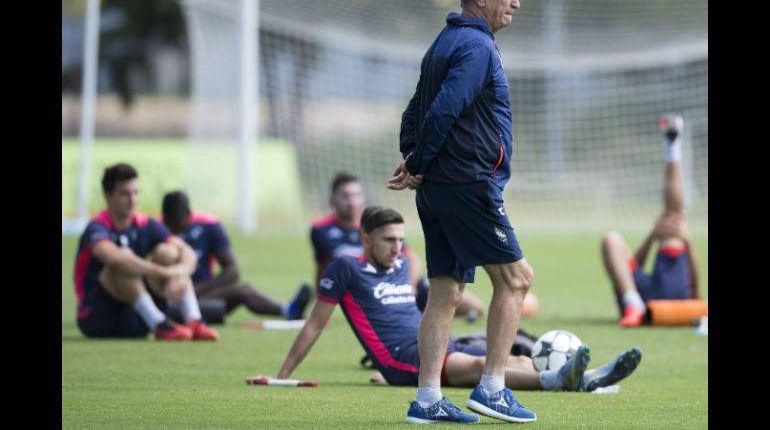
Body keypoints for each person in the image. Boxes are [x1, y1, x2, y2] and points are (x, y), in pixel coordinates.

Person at [247, 208, 642, 424]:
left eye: (401, 240)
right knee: (481, 368)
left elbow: (434, 299)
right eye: (388, 240)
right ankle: (564, 379)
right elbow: (315, 325)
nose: (397, 248)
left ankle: (587, 378)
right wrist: (282, 375)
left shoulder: (403, 265)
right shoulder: (345, 269)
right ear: (365, 239)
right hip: (401, 356)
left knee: (513, 360)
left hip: (428, 347)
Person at [387, 0, 538, 423]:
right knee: (516, 280)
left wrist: (414, 158)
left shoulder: (445, 40)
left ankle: (427, 399)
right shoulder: (476, 45)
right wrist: (417, 162)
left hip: (440, 186)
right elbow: (442, 109)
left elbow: (415, 109)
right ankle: (492, 388)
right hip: (467, 183)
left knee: (446, 290)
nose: (516, 2)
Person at [74, 163, 219, 341]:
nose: (132, 200)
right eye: (124, 194)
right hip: (99, 318)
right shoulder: (97, 227)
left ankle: (194, 320)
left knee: (168, 252)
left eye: (136, 193)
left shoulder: (144, 223)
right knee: (124, 260)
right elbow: (112, 258)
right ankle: (160, 325)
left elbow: (187, 252)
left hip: (138, 316)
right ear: (107, 195)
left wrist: (178, 273)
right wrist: (163, 272)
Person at [311, 172, 485, 319]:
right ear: (332, 198)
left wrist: (410, 287)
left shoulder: (377, 222)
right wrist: (322, 307)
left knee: (474, 307)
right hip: (368, 294)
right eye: (345, 196)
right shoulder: (320, 230)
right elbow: (323, 269)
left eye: (356, 195)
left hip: (401, 286)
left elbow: (411, 258)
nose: (352, 201)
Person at [601, 114, 702, 327]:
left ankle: (672, 147)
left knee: (672, 221)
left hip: (672, 300)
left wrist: (687, 241)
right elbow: (631, 269)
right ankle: (632, 303)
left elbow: (697, 294)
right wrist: (652, 236)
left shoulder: (688, 295)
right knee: (611, 239)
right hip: (640, 294)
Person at [161, 191, 311, 321]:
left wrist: (196, 289)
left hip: (204, 296)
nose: (172, 229)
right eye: (168, 223)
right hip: (166, 298)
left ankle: (289, 310)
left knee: (244, 290)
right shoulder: (156, 228)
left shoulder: (209, 225)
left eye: (176, 223)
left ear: (187, 213)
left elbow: (232, 271)